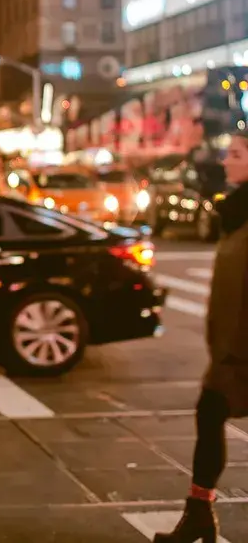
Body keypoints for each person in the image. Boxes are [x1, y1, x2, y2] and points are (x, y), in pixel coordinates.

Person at [153, 132, 248, 543]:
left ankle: (198, 515)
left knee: (210, 413)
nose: (226, 161)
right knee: (209, 414)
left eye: (238, 154)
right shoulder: (236, 214)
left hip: (242, 351)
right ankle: (198, 513)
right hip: (230, 350)